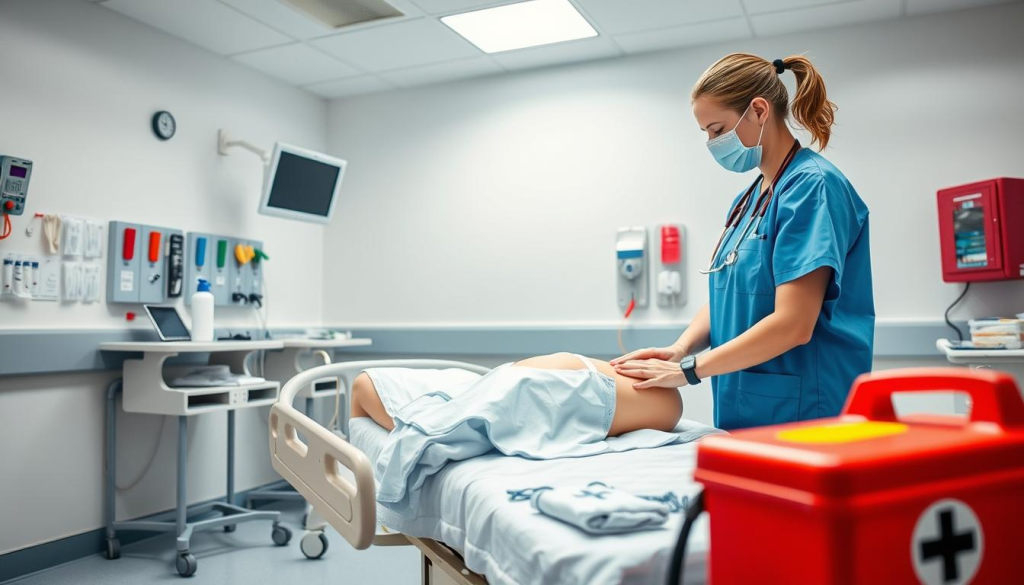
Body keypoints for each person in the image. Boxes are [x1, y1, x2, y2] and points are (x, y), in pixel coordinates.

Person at [611, 53, 874, 430]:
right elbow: (730, 292)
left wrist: (689, 370)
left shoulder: (812, 187)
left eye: (717, 130)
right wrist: (681, 349)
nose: (712, 143)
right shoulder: (748, 201)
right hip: (747, 402)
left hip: (804, 410)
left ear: (759, 110)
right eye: (706, 133)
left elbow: (794, 324)